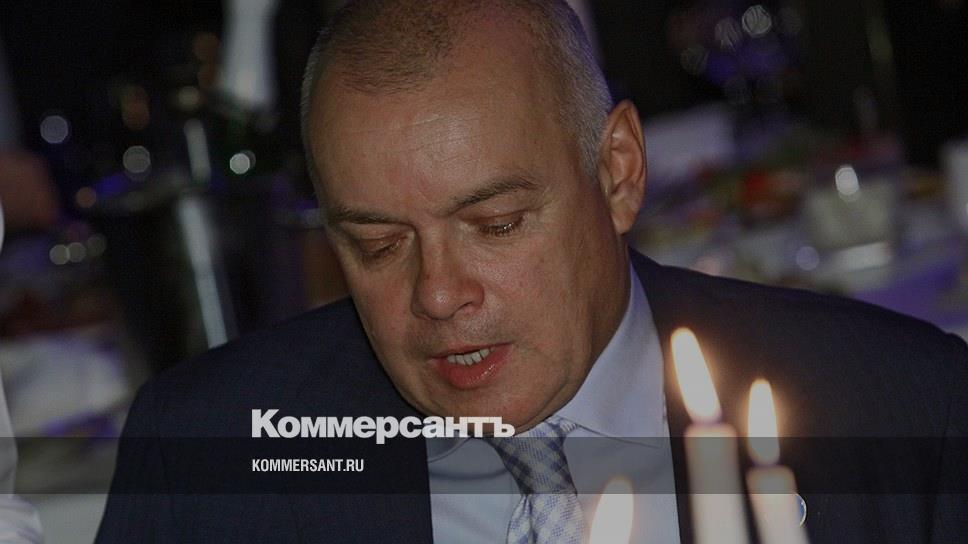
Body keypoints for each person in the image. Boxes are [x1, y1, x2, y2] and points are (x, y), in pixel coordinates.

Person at [97, 1, 968, 543]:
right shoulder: (209, 456)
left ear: (618, 172)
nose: (439, 294)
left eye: (496, 225)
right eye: (379, 244)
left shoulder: (901, 413)